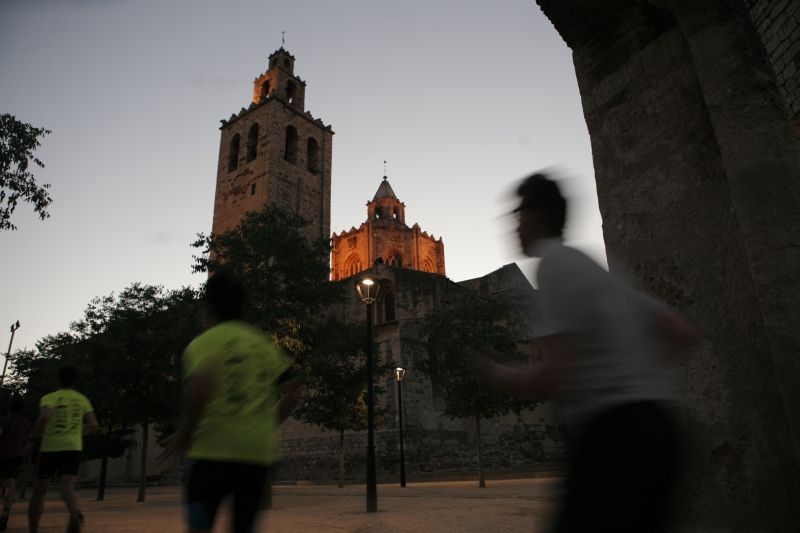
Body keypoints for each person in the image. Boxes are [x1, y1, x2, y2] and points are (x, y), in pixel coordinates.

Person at [479, 172, 699, 532]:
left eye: (517, 215)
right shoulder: (597, 273)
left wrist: (500, 373)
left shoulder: (552, 265)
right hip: (657, 427)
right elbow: (680, 330)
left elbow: (557, 374)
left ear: (536, 215)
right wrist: (636, 374)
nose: (513, 226)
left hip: (612, 436)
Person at [158, 270, 303, 533]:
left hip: (213, 450)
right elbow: (294, 391)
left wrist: (184, 432)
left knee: (200, 522)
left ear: (210, 308)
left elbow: (201, 386)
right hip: (257, 454)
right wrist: (268, 422)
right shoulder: (262, 344)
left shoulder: (204, 343)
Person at [27, 365, 98, 533]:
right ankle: (75, 512)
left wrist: (32, 437)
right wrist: (76, 434)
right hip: (72, 448)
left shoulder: (50, 397)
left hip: (50, 448)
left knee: (39, 492)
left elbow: (44, 416)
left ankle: (33, 529)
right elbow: (93, 424)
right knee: (67, 488)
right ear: (75, 380)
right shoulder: (82, 399)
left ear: (58, 379)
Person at [0, 398, 30, 531]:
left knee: (5, 482)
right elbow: (27, 440)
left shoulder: (4, 421)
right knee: (11, 486)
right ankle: (6, 510)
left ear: (10, 409)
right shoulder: (25, 423)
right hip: (17, 456)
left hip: (3, 456)